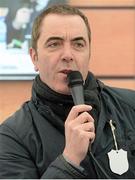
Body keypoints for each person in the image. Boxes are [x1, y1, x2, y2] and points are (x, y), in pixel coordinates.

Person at [0, 4, 135, 179]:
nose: (68, 55)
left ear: (88, 53)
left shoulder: (130, 107)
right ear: (34, 57)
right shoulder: (12, 137)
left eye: (78, 44)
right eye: (54, 44)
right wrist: (69, 160)